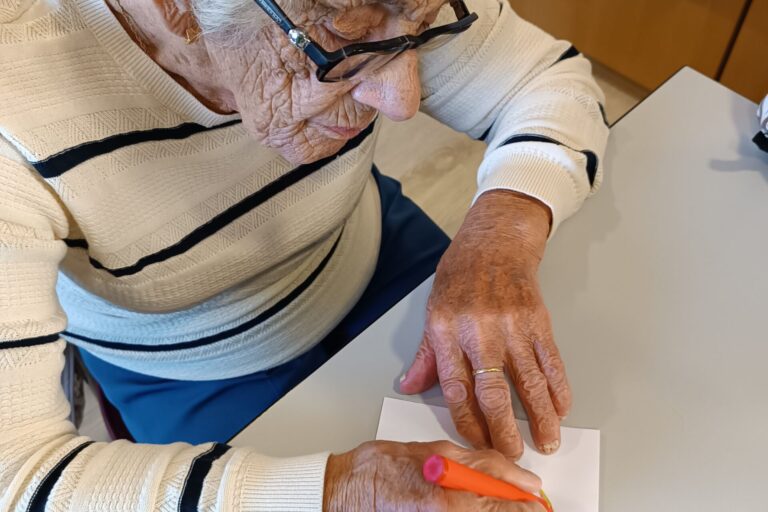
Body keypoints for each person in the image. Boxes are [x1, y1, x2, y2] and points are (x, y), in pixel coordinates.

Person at [0, 0, 609, 507]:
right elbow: (16, 475)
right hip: (190, 360)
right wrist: (340, 490)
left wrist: (500, 234)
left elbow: (547, 81)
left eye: (421, 27)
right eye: (345, 38)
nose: (403, 101)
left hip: (363, 246)